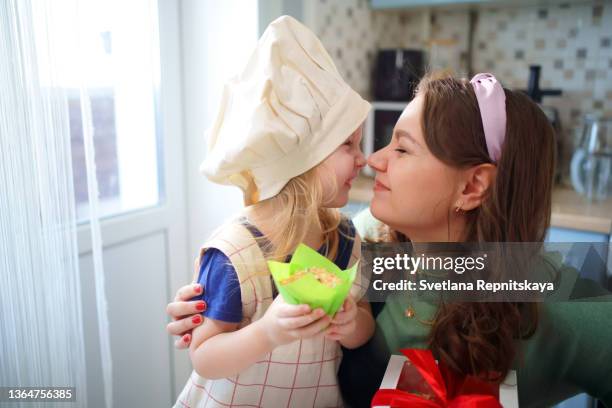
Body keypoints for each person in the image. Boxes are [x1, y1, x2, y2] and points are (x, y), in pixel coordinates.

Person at [168, 71, 612, 406]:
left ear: (472, 187)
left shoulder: (547, 298)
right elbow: (258, 285)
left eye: (401, 148)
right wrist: (208, 306)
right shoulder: (359, 244)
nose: (374, 160)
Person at [170, 15, 375, 408]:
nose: (364, 158)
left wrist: (351, 325)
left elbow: (363, 321)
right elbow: (204, 356)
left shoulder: (346, 238)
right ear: (302, 162)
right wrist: (266, 334)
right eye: (348, 145)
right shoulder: (234, 254)